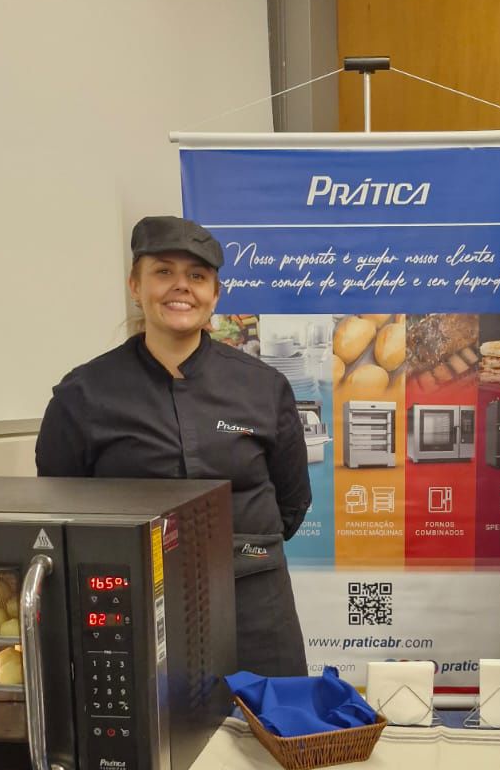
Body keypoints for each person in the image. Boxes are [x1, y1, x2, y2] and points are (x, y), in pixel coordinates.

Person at [36, 215, 311, 674]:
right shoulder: (84, 395)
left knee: (269, 731)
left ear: (215, 294)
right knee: (153, 741)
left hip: (256, 605)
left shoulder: (264, 388)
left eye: (197, 276)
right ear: (135, 285)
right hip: (137, 607)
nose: (181, 287)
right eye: (163, 272)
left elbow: (292, 504)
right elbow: (62, 508)